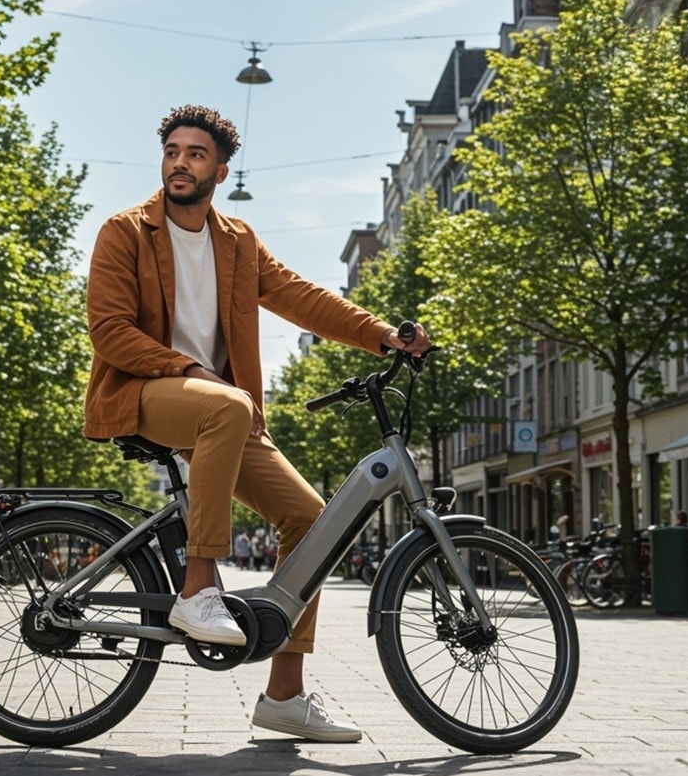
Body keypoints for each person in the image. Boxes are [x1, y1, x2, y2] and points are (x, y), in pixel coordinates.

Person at [84, 105, 431, 742]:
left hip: (219, 409)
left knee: (313, 522)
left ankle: (284, 695)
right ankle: (197, 588)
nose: (179, 162)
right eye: (172, 151)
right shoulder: (125, 231)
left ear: (220, 167)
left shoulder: (237, 241)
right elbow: (109, 333)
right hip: (145, 391)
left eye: (194, 153)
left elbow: (302, 297)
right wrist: (188, 366)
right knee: (229, 402)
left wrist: (383, 335)